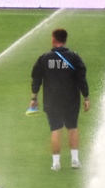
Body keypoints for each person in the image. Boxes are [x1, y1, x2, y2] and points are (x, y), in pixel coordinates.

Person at [30, 28, 90, 171]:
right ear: (65, 40)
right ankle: (75, 160)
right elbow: (81, 78)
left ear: (53, 39)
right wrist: (86, 97)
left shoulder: (44, 58)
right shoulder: (74, 57)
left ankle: (56, 163)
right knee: (72, 128)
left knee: (55, 129)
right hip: (71, 99)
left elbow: (36, 78)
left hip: (52, 100)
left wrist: (34, 98)